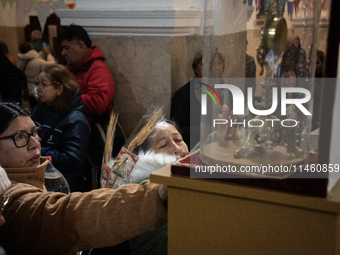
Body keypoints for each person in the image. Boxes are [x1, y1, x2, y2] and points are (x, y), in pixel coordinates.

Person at [0, 102, 167, 255]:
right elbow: (68, 215)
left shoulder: (44, 173)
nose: (35, 143)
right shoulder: (8, 201)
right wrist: (156, 194)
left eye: (34, 132)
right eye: (20, 137)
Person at [31, 64, 90, 192]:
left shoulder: (75, 120)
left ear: (59, 89)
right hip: (40, 178)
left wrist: (37, 150)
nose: (38, 89)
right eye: (37, 84)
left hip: (63, 185)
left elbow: (72, 159)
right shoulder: (39, 110)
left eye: (43, 84)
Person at [58, 24, 115, 125]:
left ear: (80, 45)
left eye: (67, 48)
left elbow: (97, 103)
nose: (63, 53)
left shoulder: (98, 69)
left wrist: (61, 99)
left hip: (89, 132)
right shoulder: (69, 68)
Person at [171, 49, 202, 150]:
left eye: (217, 64)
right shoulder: (182, 95)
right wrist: (204, 130)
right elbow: (177, 129)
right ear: (196, 68)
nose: (211, 69)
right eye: (204, 65)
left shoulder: (227, 93)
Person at [18, 42, 56, 110]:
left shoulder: (20, 61)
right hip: (37, 90)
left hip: (28, 89)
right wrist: (49, 54)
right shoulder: (37, 61)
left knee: (33, 108)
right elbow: (52, 65)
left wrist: (42, 53)